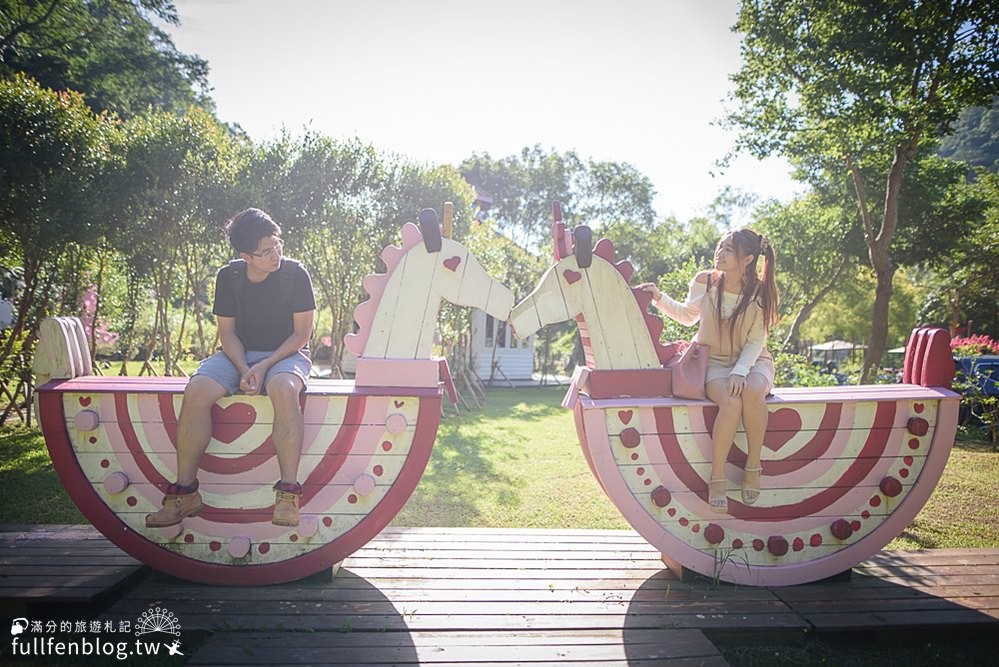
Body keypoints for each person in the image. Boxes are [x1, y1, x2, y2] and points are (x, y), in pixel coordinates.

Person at [146, 208, 316, 528]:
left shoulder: (296, 274)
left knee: (283, 388)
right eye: (265, 251)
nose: (275, 254)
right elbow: (227, 333)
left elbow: (302, 334)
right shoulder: (229, 277)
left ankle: (288, 494)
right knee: (196, 390)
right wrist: (243, 368)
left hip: (285, 353)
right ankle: (185, 494)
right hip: (238, 352)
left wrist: (264, 365)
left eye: (277, 244)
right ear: (245, 256)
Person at [638, 229, 779, 513]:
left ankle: (753, 466)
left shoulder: (761, 292)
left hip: (753, 361)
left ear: (748, 259)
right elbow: (688, 316)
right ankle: (717, 477)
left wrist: (741, 370)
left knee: (752, 391)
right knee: (729, 400)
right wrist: (659, 297)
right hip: (713, 362)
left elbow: (755, 341)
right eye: (720, 247)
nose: (720, 253)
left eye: (729, 250)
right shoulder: (705, 281)